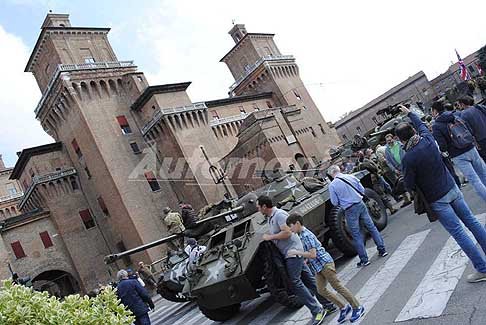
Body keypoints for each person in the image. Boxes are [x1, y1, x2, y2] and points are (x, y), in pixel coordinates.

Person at [396, 105, 486, 283]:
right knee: (472, 222)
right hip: (451, 187)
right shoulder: (427, 140)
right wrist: (409, 113)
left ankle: (482, 268)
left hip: (437, 199)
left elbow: (409, 184)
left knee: (459, 233)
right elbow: (421, 125)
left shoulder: (408, 158)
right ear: (413, 131)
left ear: (400, 140)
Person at [257, 195, 326, 325]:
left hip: (293, 252)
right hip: (290, 253)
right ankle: (327, 304)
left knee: (295, 282)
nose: (258, 209)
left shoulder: (279, 215)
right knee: (309, 280)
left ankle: (317, 310)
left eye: (258, 207)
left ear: (264, 206)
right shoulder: (271, 218)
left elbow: (288, 232)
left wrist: (270, 237)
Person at [286, 213, 365, 323]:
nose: (290, 229)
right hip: (318, 267)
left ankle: (357, 307)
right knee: (321, 290)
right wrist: (305, 259)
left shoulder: (305, 235)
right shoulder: (301, 235)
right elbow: (313, 251)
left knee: (337, 286)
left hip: (325, 264)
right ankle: (343, 307)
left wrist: (297, 253)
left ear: (297, 223)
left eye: (291, 226)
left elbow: (312, 254)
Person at [328, 165, 388, 267]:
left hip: (349, 209)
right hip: (360, 204)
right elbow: (362, 190)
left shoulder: (332, 185)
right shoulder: (351, 177)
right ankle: (382, 250)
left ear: (330, 174)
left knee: (356, 234)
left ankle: (364, 259)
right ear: (339, 170)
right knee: (371, 227)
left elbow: (334, 202)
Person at [431, 101, 486, 202]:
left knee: (475, 180)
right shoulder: (456, 114)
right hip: (470, 147)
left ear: (435, 111)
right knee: (483, 173)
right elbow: (469, 128)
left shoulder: (436, 125)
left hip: (457, 155)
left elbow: (442, 145)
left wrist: (445, 150)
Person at [357, 150, 397, 214]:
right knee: (382, 195)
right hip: (374, 180)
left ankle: (389, 208)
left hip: (372, 181)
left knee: (381, 195)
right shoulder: (365, 163)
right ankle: (391, 209)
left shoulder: (360, 165)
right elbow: (373, 168)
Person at [384, 134, 412, 206]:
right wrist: (394, 170)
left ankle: (413, 194)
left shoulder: (400, 144)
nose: (389, 142)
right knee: (402, 183)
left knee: (411, 179)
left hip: (406, 165)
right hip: (398, 168)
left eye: (390, 140)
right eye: (387, 141)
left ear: (393, 139)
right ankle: (407, 199)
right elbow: (388, 162)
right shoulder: (387, 150)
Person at [458, 96, 486, 162]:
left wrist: (475, 142)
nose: (458, 106)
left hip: (480, 139)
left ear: (462, 104)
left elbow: (469, 130)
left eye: (458, 104)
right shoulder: (479, 107)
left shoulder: (463, 115)